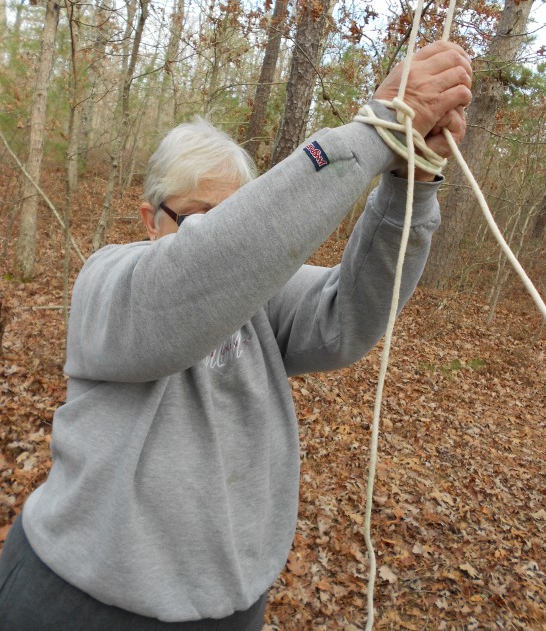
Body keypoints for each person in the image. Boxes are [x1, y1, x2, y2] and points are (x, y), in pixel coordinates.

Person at [0, 41, 472, 630]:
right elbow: (204, 266)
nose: (218, 229)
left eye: (235, 212)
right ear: (150, 219)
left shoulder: (262, 299)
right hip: (78, 600)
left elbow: (347, 317)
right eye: (200, 214)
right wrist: (374, 130)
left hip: (228, 606)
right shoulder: (108, 281)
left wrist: (409, 184)